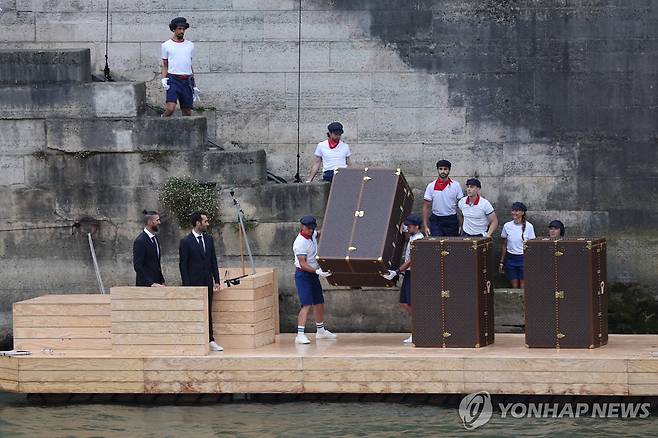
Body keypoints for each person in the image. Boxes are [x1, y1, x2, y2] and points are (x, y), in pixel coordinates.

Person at [179, 212, 222, 352]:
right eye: (205, 221)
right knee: (194, 311)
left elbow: (213, 260)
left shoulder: (208, 239)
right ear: (198, 223)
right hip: (193, 282)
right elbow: (183, 265)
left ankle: (210, 339)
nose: (207, 224)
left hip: (207, 281)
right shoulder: (186, 241)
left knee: (208, 310)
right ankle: (193, 339)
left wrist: (216, 279)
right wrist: (187, 285)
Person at [292, 216, 336, 344]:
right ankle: (300, 334)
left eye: (312, 228)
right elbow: (302, 263)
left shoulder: (311, 234)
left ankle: (320, 331)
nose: (311, 231)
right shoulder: (299, 243)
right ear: (303, 227)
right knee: (306, 304)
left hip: (313, 274)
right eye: (309, 228)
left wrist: (333, 227)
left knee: (319, 302)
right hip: (303, 275)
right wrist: (317, 271)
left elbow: (320, 233)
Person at [382, 213, 424, 344]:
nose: (407, 228)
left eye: (410, 226)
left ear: (417, 227)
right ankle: (418, 330)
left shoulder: (418, 240)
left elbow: (411, 260)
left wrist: (396, 271)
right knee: (405, 303)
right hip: (409, 274)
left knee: (412, 304)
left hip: (414, 274)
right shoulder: (413, 236)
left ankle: (418, 331)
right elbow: (405, 234)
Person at [160, 17, 200, 117]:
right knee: (170, 108)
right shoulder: (166, 45)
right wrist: (164, 79)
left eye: (183, 29)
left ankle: (187, 131)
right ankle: (162, 121)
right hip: (173, 79)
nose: (182, 31)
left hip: (187, 80)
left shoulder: (190, 45)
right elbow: (165, 65)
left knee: (187, 112)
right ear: (174, 29)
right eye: (179, 29)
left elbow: (189, 65)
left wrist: (194, 85)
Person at [499, 202, 536, 288]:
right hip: (511, 258)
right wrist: (502, 262)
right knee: (514, 285)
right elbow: (504, 244)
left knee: (523, 286)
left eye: (517, 211)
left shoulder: (529, 226)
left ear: (522, 213)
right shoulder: (507, 226)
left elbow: (532, 245)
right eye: (513, 211)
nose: (514, 213)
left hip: (523, 258)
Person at [422, 159, 463, 236]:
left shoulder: (456, 185)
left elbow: (461, 207)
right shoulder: (431, 186)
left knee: (451, 245)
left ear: (449, 170)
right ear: (437, 170)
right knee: (436, 245)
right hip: (436, 220)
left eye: (445, 169)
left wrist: (462, 224)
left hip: (452, 220)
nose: (443, 171)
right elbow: (425, 207)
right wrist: (425, 226)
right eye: (440, 169)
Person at [133, 210, 165, 287]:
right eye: (157, 220)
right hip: (145, 286)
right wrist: (151, 283)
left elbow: (156, 264)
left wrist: (162, 280)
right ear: (150, 222)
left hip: (157, 284)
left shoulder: (155, 238)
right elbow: (138, 266)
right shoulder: (140, 241)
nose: (159, 222)